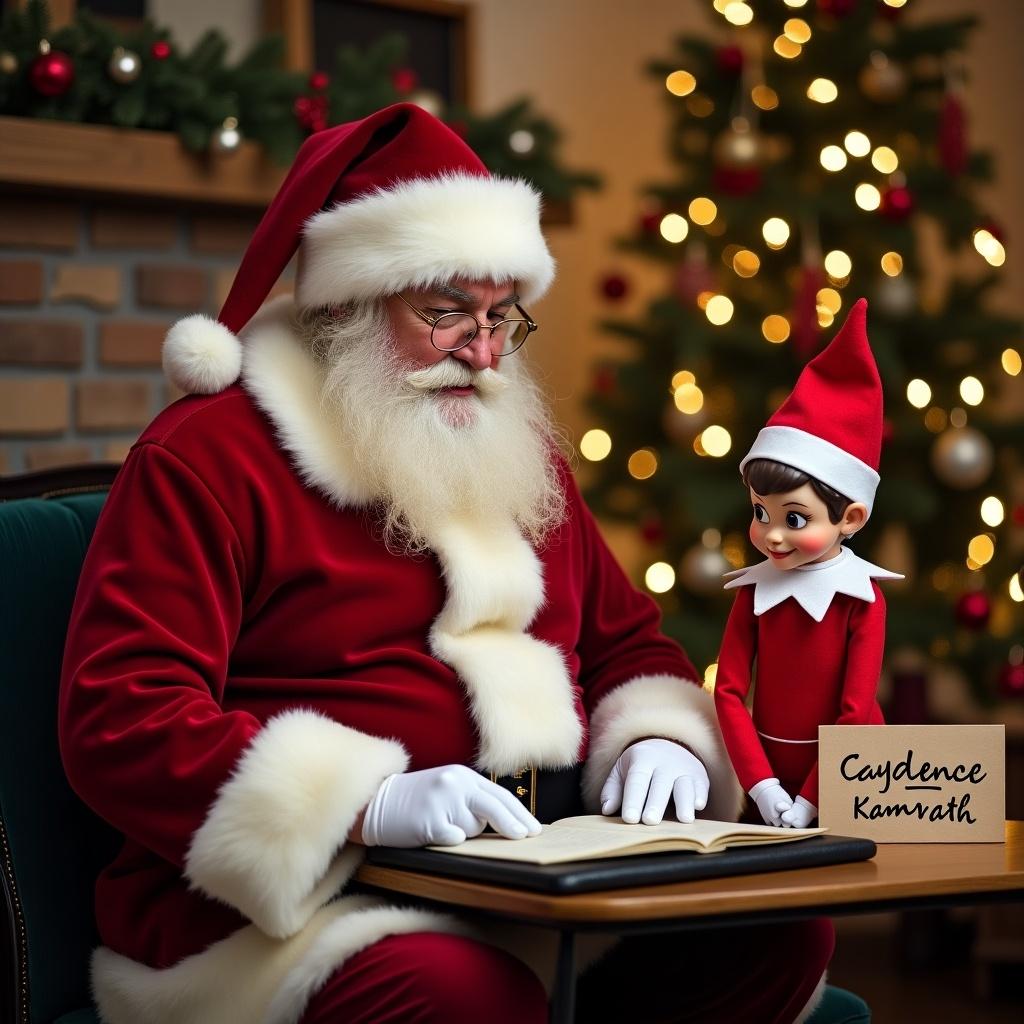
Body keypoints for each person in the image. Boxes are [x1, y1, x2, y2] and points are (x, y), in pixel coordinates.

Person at [59, 103, 832, 1024]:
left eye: (503, 316)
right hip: (299, 921)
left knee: (780, 932)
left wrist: (658, 735)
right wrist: (364, 802)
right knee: (465, 996)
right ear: (345, 304)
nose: (485, 350)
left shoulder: (515, 448)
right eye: (446, 314)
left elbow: (630, 647)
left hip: (539, 886)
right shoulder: (207, 456)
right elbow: (121, 714)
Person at [714, 299, 903, 830]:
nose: (771, 535)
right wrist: (762, 784)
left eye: (795, 519)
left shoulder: (861, 599)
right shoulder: (754, 593)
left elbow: (855, 710)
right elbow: (728, 692)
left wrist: (815, 796)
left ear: (852, 517)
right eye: (759, 512)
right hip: (768, 787)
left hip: (853, 783)